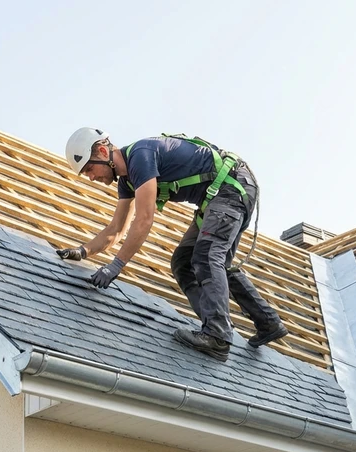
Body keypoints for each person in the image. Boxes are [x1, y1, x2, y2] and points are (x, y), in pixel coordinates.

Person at [55, 128, 288, 362]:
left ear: (103, 151)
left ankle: (217, 335)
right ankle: (265, 321)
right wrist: (83, 251)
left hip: (231, 187)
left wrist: (116, 266)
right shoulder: (127, 182)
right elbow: (116, 229)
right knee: (184, 262)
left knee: (207, 256)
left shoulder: (140, 156)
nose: (91, 177)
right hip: (220, 195)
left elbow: (145, 219)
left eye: (89, 169)